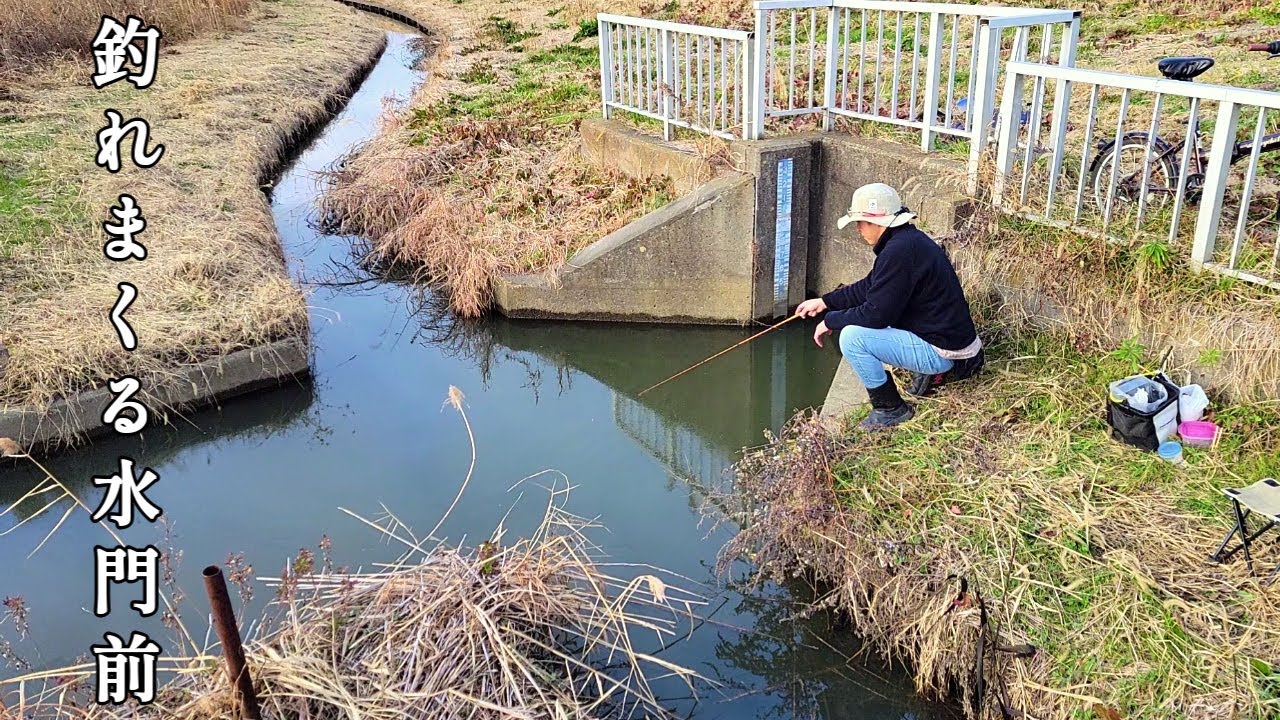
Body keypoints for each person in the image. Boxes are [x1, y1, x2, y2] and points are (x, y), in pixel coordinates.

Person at [796, 183, 984, 430]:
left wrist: (832, 321)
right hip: (950, 342)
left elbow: (876, 315)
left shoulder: (900, 252)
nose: (858, 229)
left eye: (861, 222)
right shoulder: (905, 241)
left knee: (853, 338)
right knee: (859, 327)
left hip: (946, 353)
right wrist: (824, 302)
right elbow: (869, 286)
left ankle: (890, 408)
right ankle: (924, 376)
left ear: (879, 222)